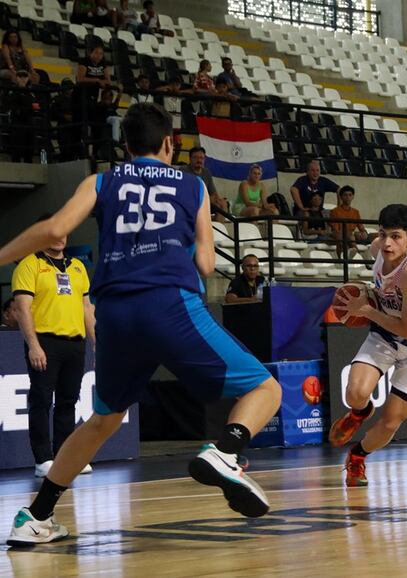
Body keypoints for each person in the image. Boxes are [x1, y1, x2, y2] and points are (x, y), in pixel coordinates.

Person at [3, 103, 282, 547]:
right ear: (170, 143)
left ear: (126, 146)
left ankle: (36, 516)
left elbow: (55, 226)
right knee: (266, 389)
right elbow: (208, 265)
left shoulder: (102, 180)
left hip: (113, 311)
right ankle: (227, 451)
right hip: (168, 304)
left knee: (103, 419)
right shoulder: (193, 186)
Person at [330, 204, 407, 487]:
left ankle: (358, 456)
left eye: (395, 236)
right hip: (385, 332)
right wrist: (365, 297)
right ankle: (360, 411)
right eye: (383, 235)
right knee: (355, 393)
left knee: (392, 421)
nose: (388, 243)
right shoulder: (377, 250)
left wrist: (366, 311)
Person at [11, 217, 95, 479]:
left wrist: (97, 343)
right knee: (41, 400)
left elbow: (87, 308)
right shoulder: (29, 265)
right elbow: (22, 309)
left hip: (75, 342)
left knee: (69, 401)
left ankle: (65, 458)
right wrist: (33, 345)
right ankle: (43, 459)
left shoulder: (78, 267)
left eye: (65, 231)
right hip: (45, 341)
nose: (61, 237)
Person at [182, 147, 229, 223]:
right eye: (195, 157)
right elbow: (184, 193)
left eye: (201, 158)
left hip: (205, 201)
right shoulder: (184, 170)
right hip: (190, 202)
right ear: (190, 159)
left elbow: (213, 192)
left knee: (223, 204)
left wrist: (219, 199)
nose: (199, 160)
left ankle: (219, 230)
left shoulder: (206, 172)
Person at [329, 185, 370, 257]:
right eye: (345, 195)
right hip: (339, 234)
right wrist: (349, 234)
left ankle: (376, 260)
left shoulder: (355, 212)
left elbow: (361, 227)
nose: (348, 197)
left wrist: (363, 232)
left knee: (376, 235)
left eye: (350, 195)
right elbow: (336, 229)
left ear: (353, 196)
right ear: (341, 197)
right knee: (349, 236)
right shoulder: (335, 211)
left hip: (352, 234)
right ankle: (357, 253)